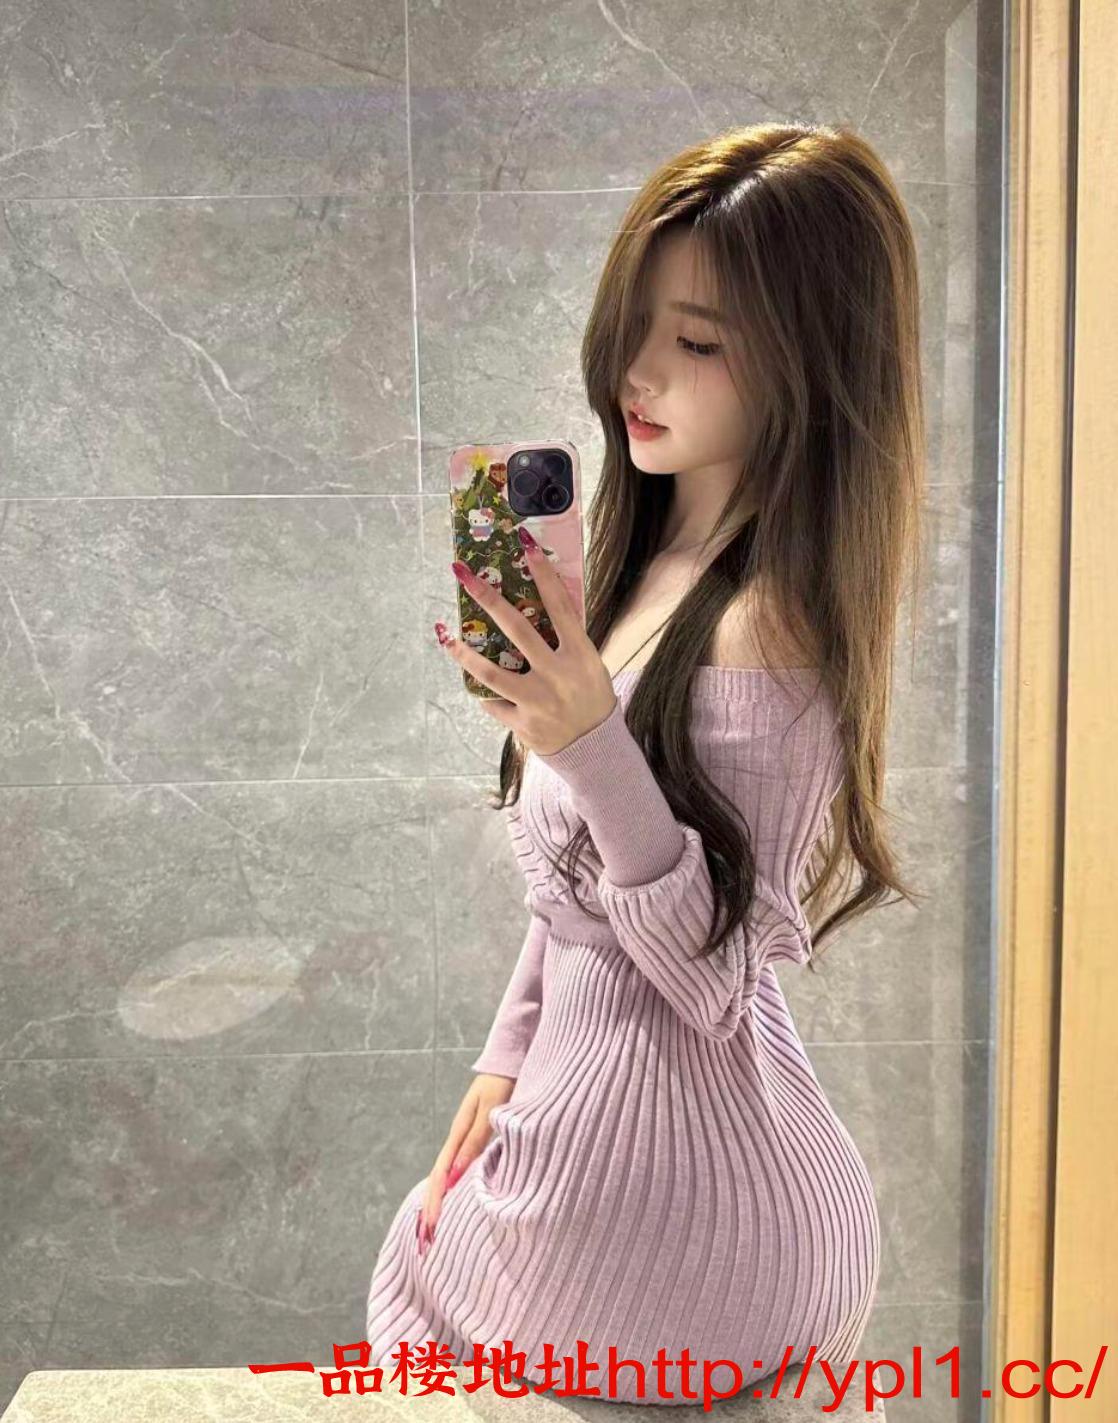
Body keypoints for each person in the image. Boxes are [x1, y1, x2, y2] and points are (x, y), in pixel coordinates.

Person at [366, 120, 925, 1406]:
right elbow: (568, 898)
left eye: (700, 342)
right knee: (424, 1252)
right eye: (637, 326)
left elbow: (712, 972)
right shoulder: (643, 572)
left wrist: (586, 744)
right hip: (599, 1120)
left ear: (812, 359)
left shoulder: (768, 622)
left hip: (696, 1188)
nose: (640, 372)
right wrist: (504, 1056)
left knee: (423, 1275)